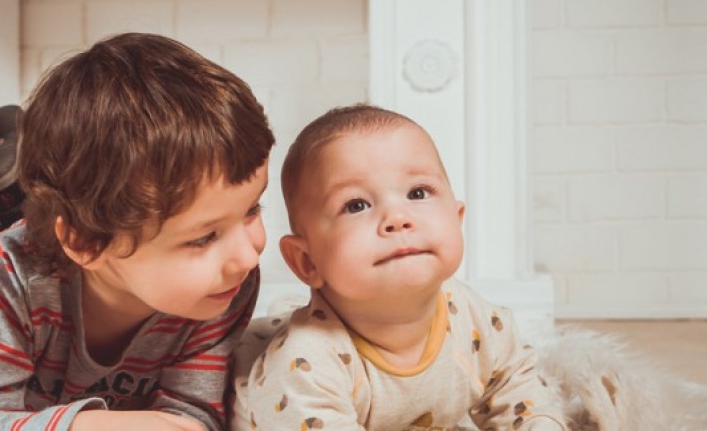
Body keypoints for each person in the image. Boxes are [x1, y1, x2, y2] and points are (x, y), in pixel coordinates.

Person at [0, 32, 274, 431]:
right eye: (203, 236)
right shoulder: (5, 277)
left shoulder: (222, 288)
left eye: (252, 209)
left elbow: (195, 410)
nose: (249, 256)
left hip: (54, 277)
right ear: (86, 242)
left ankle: (22, 199)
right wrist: (86, 425)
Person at [230, 105, 567, 430]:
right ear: (306, 261)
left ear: (456, 218)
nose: (397, 218)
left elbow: (521, 391)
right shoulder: (303, 365)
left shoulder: (476, 321)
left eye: (418, 192)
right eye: (356, 205)